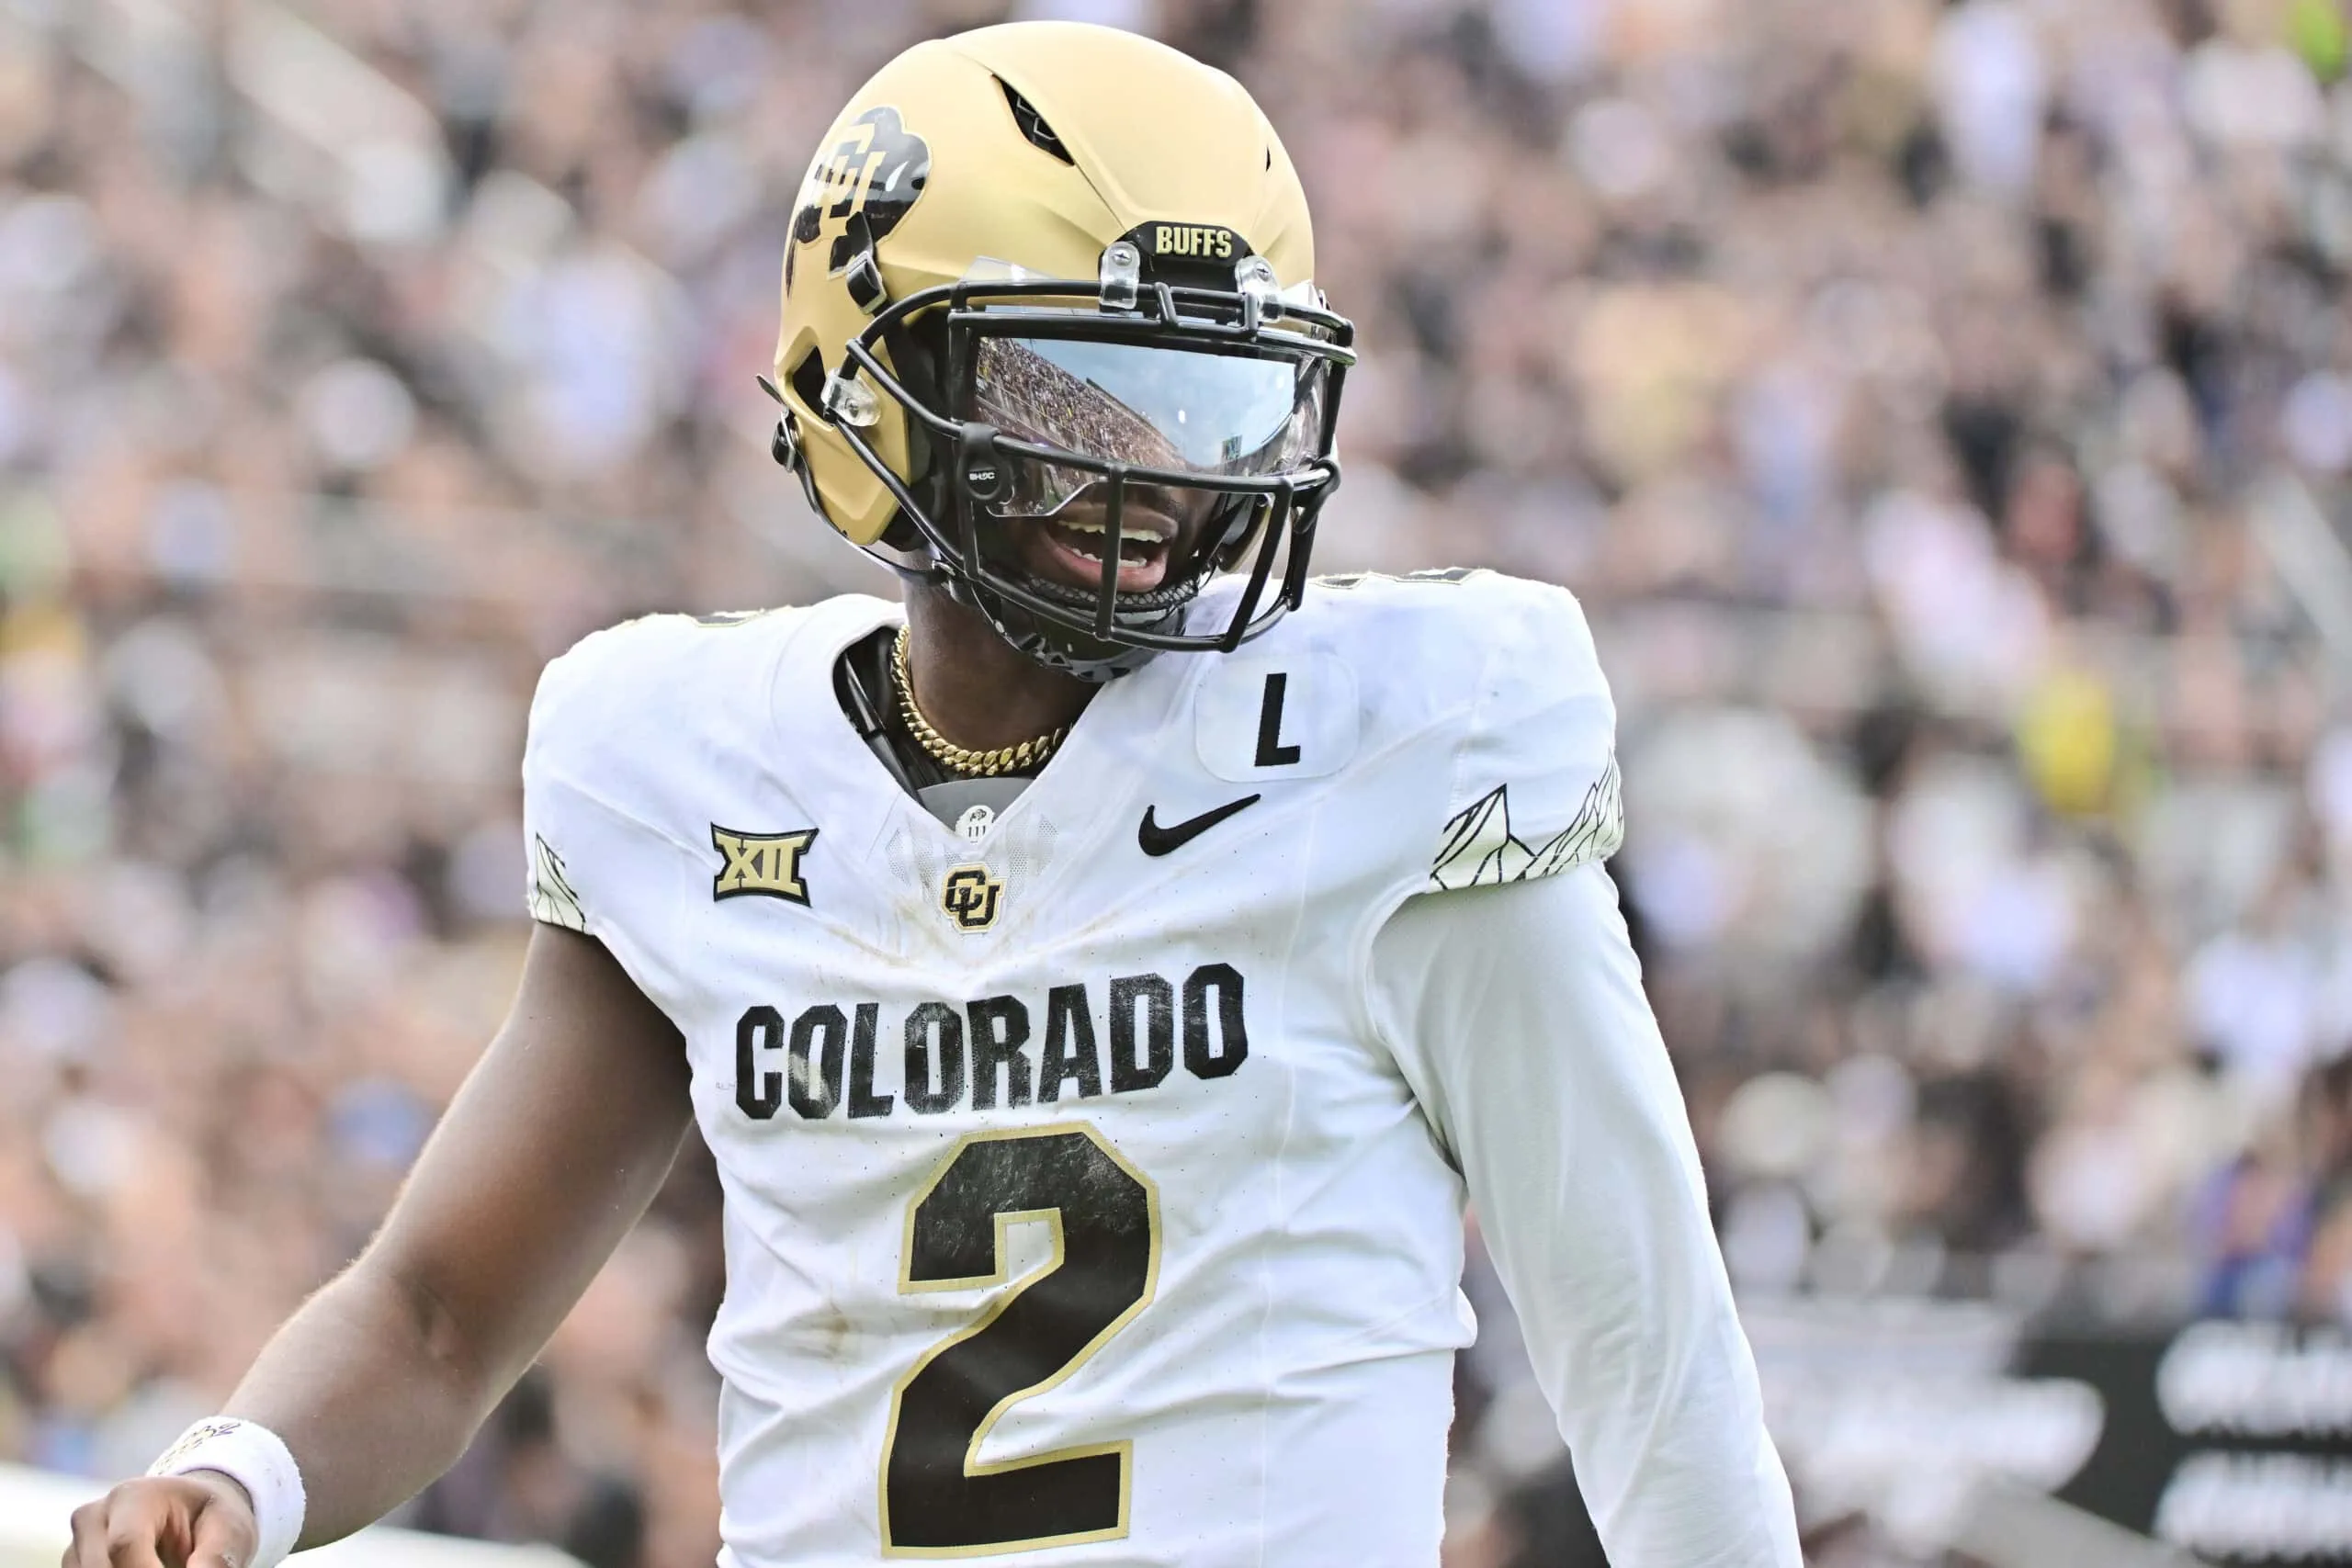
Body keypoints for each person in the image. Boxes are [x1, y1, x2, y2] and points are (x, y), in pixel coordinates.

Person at [66, 22, 1799, 1568]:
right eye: (1074, 395)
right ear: (868, 376)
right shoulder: (697, 768)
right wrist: (245, 1472)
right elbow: (438, 1312)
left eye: (1209, 403)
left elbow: (1644, 1350)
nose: (1154, 471)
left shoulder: (1392, 752)